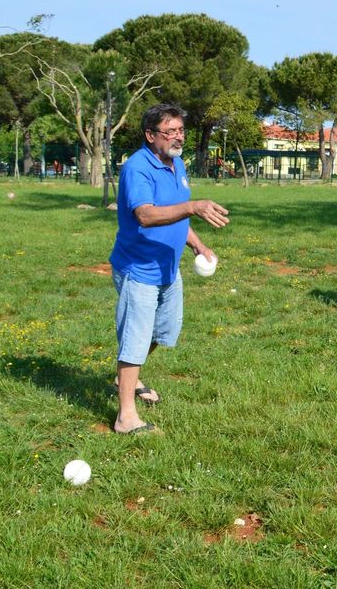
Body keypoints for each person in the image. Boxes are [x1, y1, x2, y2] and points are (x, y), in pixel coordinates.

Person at [109, 103, 230, 435]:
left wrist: (197, 244)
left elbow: (174, 214)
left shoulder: (176, 164)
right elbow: (146, 215)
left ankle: (124, 377)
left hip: (167, 266)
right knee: (136, 337)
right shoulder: (138, 168)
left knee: (162, 331)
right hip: (139, 268)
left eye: (180, 130)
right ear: (151, 136)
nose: (178, 137)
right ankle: (126, 417)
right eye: (170, 131)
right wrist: (194, 206)